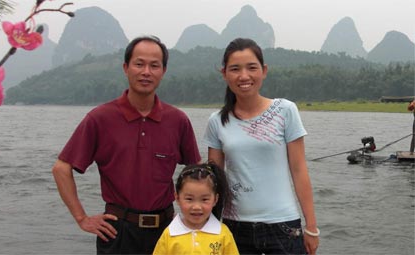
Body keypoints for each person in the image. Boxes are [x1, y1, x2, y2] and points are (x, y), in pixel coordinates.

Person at [52, 35, 201, 254]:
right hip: (117, 232)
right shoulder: (100, 118)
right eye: (139, 64)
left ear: (163, 71)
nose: (146, 72)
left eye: (154, 66)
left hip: (167, 231)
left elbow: (196, 171)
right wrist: (82, 218)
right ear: (126, 67)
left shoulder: (177, 120)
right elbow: (61, 169)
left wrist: (194, 215)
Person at [203, 38, 319, 255]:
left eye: (251, 68)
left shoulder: (285, 110)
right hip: (233, 227)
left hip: (283, 226)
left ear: (264, 71)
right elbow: (214, 180)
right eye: (235, 69)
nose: (244, 76)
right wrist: (205, 226)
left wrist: (311, 227)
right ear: (224, 74)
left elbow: (299, 169)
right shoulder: (217, 121)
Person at [153, 163, 239, 255]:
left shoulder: (223, 234)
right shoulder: (169, 234)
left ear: (215, 199)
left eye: (204, 199)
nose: (196, 207)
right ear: (177, 198)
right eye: (189, 199)